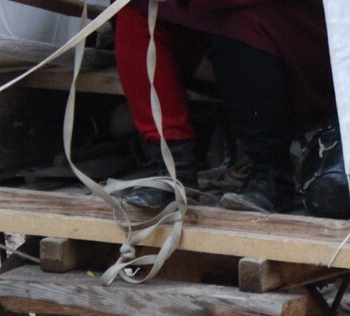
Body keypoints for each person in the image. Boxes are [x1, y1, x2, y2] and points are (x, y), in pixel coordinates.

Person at [113, 0, 335, 213]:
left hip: (289, 35)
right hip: (206, 27)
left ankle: (272, 175)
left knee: (235, 21)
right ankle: (173, 169)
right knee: (134, 12)